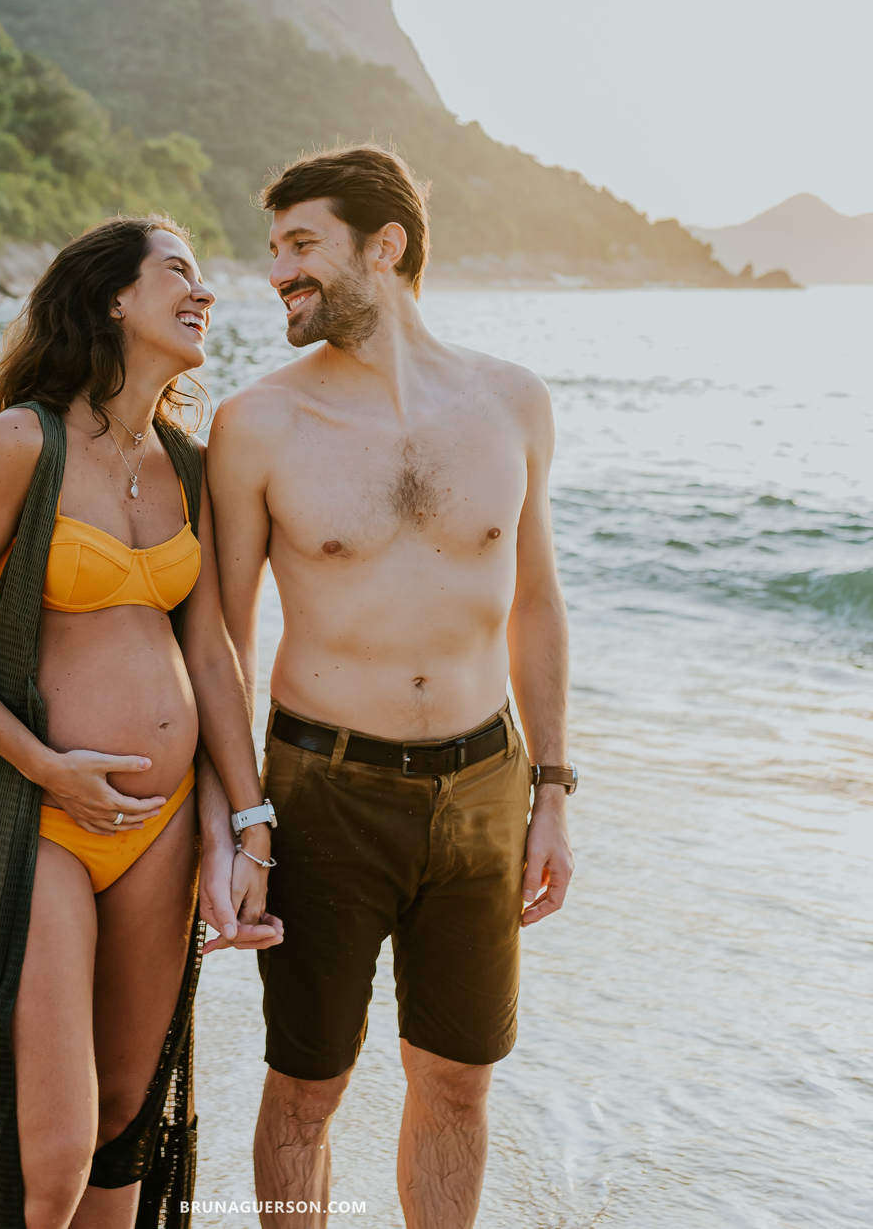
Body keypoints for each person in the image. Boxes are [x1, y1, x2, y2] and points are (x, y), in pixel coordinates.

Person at [0, 215, 281, 1229]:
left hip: (159, 831)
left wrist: (248, 820)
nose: (205, 292)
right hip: (44, 819)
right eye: (180, 273)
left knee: (123, 1123)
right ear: (114, 296)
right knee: (51, 1154)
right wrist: (45, 765)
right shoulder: (26, 444)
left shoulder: (190, 466)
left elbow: (213, 659)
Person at [208, 146, 576, 1229]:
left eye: (302, 245)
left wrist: (551, 788)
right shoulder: (257, 424)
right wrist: (242, 818)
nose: (278, 270)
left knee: (459, 1077)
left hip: (483, 785)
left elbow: (539, 604)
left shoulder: (514, 403)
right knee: (309, 1088)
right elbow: (220, 641)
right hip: (324, 790)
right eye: (273, 249)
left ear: (388, 246)